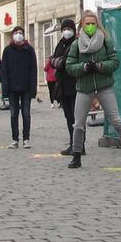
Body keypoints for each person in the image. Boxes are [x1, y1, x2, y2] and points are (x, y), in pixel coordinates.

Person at [65, 10, 121, 170]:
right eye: (87, 24)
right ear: (81, 26)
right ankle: (76, 155)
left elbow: (115, 61)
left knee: (117, 121)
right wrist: (83, 67)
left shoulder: (105, 40)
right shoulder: (76, 45)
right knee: (78, 124)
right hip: (84, 88)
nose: (90, 26)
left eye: (93, 23)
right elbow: (69, 66)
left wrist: (100, 66)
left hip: (104, 85)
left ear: (97, 24)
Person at [2, 28, 38, 149]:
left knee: (26, 114)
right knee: (13, 114)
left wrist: (33, 89)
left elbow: (33, 70)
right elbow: (4, 71)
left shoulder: (29, 50)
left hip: (26, 87)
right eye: (16, 33)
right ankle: (15, 139)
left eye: (21, 33)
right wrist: (5, 90)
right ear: (12, 36)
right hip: (12, 88)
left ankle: (26, 139)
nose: (18, 35)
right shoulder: (7, 50)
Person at [52, 19, 79, 154]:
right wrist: (58, 61)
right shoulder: (60, 44)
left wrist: (59, 62)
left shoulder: (76, 43)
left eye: (69, 28)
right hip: (62, 87)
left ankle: (79, 145)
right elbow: (54, 61)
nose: (66, 31)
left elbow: (65, 62)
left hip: (74, 85)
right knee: (69, 117)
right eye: (64, 29)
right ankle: (72, 143)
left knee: (77, 118)